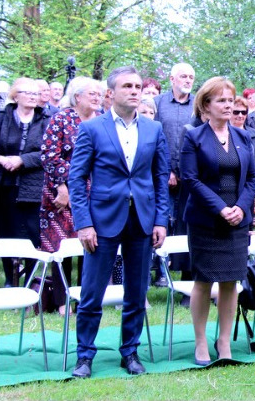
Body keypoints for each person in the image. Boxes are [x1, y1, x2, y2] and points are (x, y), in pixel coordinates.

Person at [68, 65, 169, 378]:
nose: (135, 91)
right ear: (110, 93)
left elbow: (161, 177)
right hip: (102, 222)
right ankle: (84, 356)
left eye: (138, 86)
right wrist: (84, 224)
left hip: (142, 219)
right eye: (127, 86)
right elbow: (77, 178)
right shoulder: (91, 128)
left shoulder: (154, 129)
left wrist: (161, 220)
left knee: (136, 293)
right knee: (92, 294)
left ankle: (131, 353)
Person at [180, 77, 255, 365]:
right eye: (221, 101)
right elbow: (190, 179)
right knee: (203, 281)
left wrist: (240, 207)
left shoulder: (243, 137)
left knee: (230, 282)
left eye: (230, 100)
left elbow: (253, 178)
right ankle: (201, 341)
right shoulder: (193, 137)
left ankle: (224, 341)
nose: (228, 106)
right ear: (206, 105)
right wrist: (220, 209)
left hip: (237, 222)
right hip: (206, 221)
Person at [40, 77, 103, 315]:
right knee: (62, 248)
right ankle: (61, 302)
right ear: (77, 97)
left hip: (95, 193)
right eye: (92, 94)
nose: (97, 98)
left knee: (90, 245)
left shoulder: (102, 120)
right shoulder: (61, 118)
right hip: (61, 194)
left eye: (99, 94)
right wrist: (63, 186)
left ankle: (86, 299)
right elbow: (49, 155)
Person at [0, 78, 50, 287]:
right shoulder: (3, 117)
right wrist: (3, 159)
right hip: (5, 183)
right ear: (15, 96)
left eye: (35, 93)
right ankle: (10, 280)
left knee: (32, 232)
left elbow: (49, 151)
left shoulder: (46, 119)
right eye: (27, 93)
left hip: (33, 184)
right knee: (6, 231)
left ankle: (30, 280)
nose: (32, 97)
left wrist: (22, 160)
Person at [153, 63, 195, 291]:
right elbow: (156, 140)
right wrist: (167, 169)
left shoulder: (198, 104)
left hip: (191, 177)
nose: (188, 80)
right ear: (172, 79)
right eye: (183, 76)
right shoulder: (158, 103)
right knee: (164, 223)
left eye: (191, 77)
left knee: (187, 224)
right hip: (163, 175)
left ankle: (188, 278)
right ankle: (161, 273)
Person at [229, 96, 255, 199]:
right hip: (229, 185)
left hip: (249, 185)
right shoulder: (222, 133)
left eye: (243, 112)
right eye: (236, 112)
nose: (240, 115)